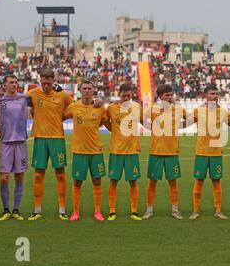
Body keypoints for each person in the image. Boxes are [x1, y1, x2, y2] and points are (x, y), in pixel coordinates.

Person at [26, 69, 73, 221]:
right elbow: (15, 99)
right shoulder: (33, 94)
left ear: (53, 81)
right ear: (40, 81)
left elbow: (74, 108)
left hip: (57, 138)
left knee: (60, 174)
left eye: (49, 81)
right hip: (40, 138)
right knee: (39, 175)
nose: (46, 85)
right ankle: (37, 210)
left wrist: (62, 118)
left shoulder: (63, 95)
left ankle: (62, 210)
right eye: (43, 81)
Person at [64, 80, 109, 221]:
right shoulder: (73, 107)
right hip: (79, 151)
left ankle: (97, 211)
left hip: (96, 150)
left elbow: (104, 121)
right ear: (80, 91)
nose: (87, 90)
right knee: (77, 182)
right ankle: (75, 212)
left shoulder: (100, 108)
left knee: (97, 181)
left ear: (93, 90)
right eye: (84, 88)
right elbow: (62, 116)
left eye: (90, 88)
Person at [142, 84, 187, 220]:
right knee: (152, 182)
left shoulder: (178, 109)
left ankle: (175, 210)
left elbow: (192, 119)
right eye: (166, 95)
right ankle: (149, 210)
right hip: (156, 151)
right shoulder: (152, 109)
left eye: (170, 94)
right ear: (160, 96)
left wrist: (179, 126)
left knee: (173, 182)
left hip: (172, 151)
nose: (169, 97)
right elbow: (141, 118)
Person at [0, 75, 30, 221]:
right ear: (4, 85)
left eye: (15, 82)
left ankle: (16, 210)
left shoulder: (24, 98)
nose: (14, 84)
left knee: (19, 176)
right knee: (4, 177)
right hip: (5, 142)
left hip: (20, 142)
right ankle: (6, 210)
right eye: (11, 82)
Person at [105, 83, 144, 221]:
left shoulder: (137, 108)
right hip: (116, 150)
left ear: (132, 95)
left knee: (133, 182)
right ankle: (112, 211)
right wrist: (113, 129)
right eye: (124, 95)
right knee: (113, 181)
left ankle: (134, 211)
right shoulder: (111, 107)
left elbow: (144, 121)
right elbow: (105, 121)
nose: (126, 97)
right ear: (119, 93)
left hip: (132, 150)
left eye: (129, 95)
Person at [189, 85, 228, 220]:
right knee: (199, 181)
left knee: (216, 181)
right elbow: (186, 123)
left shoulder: (223, 111)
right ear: (205, 96)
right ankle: (195, 210)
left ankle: (218, 210)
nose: (215, 96)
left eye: (217, 94)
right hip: (202, 152)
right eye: (212, 93)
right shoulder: (197, 111)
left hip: (216, 152)